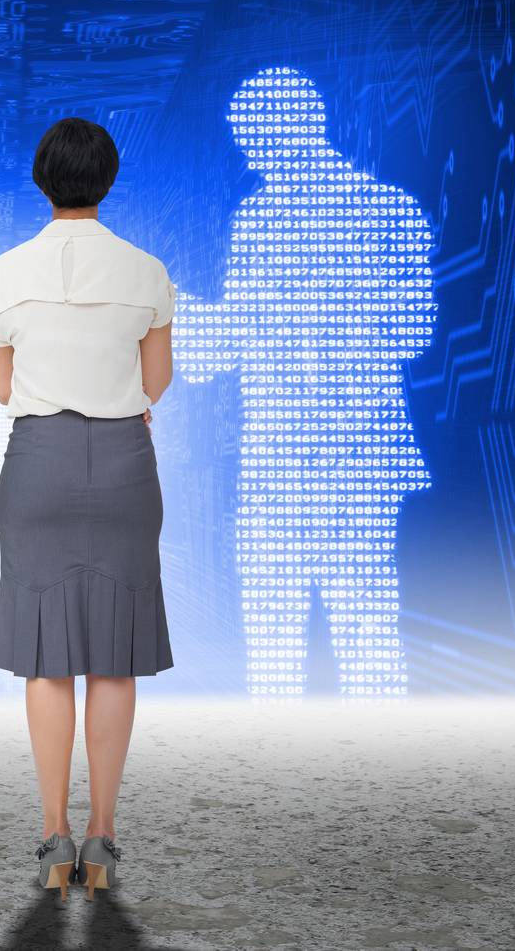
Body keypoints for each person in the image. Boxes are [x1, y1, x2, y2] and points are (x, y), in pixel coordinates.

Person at [172, 65, 435, 702]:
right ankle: (383, 775)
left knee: (276, 641)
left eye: (250, 138)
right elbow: (414, 333)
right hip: (359, 458)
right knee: (365, 629)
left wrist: (174, 310)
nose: (248, 153)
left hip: (288, 460)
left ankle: (280, 775)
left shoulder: (261, 221)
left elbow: (235, 341)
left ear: (275, 133)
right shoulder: (391, 208)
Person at [0, 117, 176, 901]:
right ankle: (105, 835)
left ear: (41, 179)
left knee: (46, 651)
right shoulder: (146, 270)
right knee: (114, 652)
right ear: (110, 178)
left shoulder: (4, 271)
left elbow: (2, 387)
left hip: (38, 465)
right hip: (124, 463)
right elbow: (154, 382)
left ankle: (54, 834)